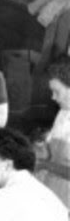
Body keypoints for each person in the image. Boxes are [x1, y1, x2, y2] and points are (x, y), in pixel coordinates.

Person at [35, 58, 70, 205]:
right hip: (53, 192)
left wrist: (44, 164)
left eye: (57, 92)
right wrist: (43, 146)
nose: (53, 97)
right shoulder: (63, 112)